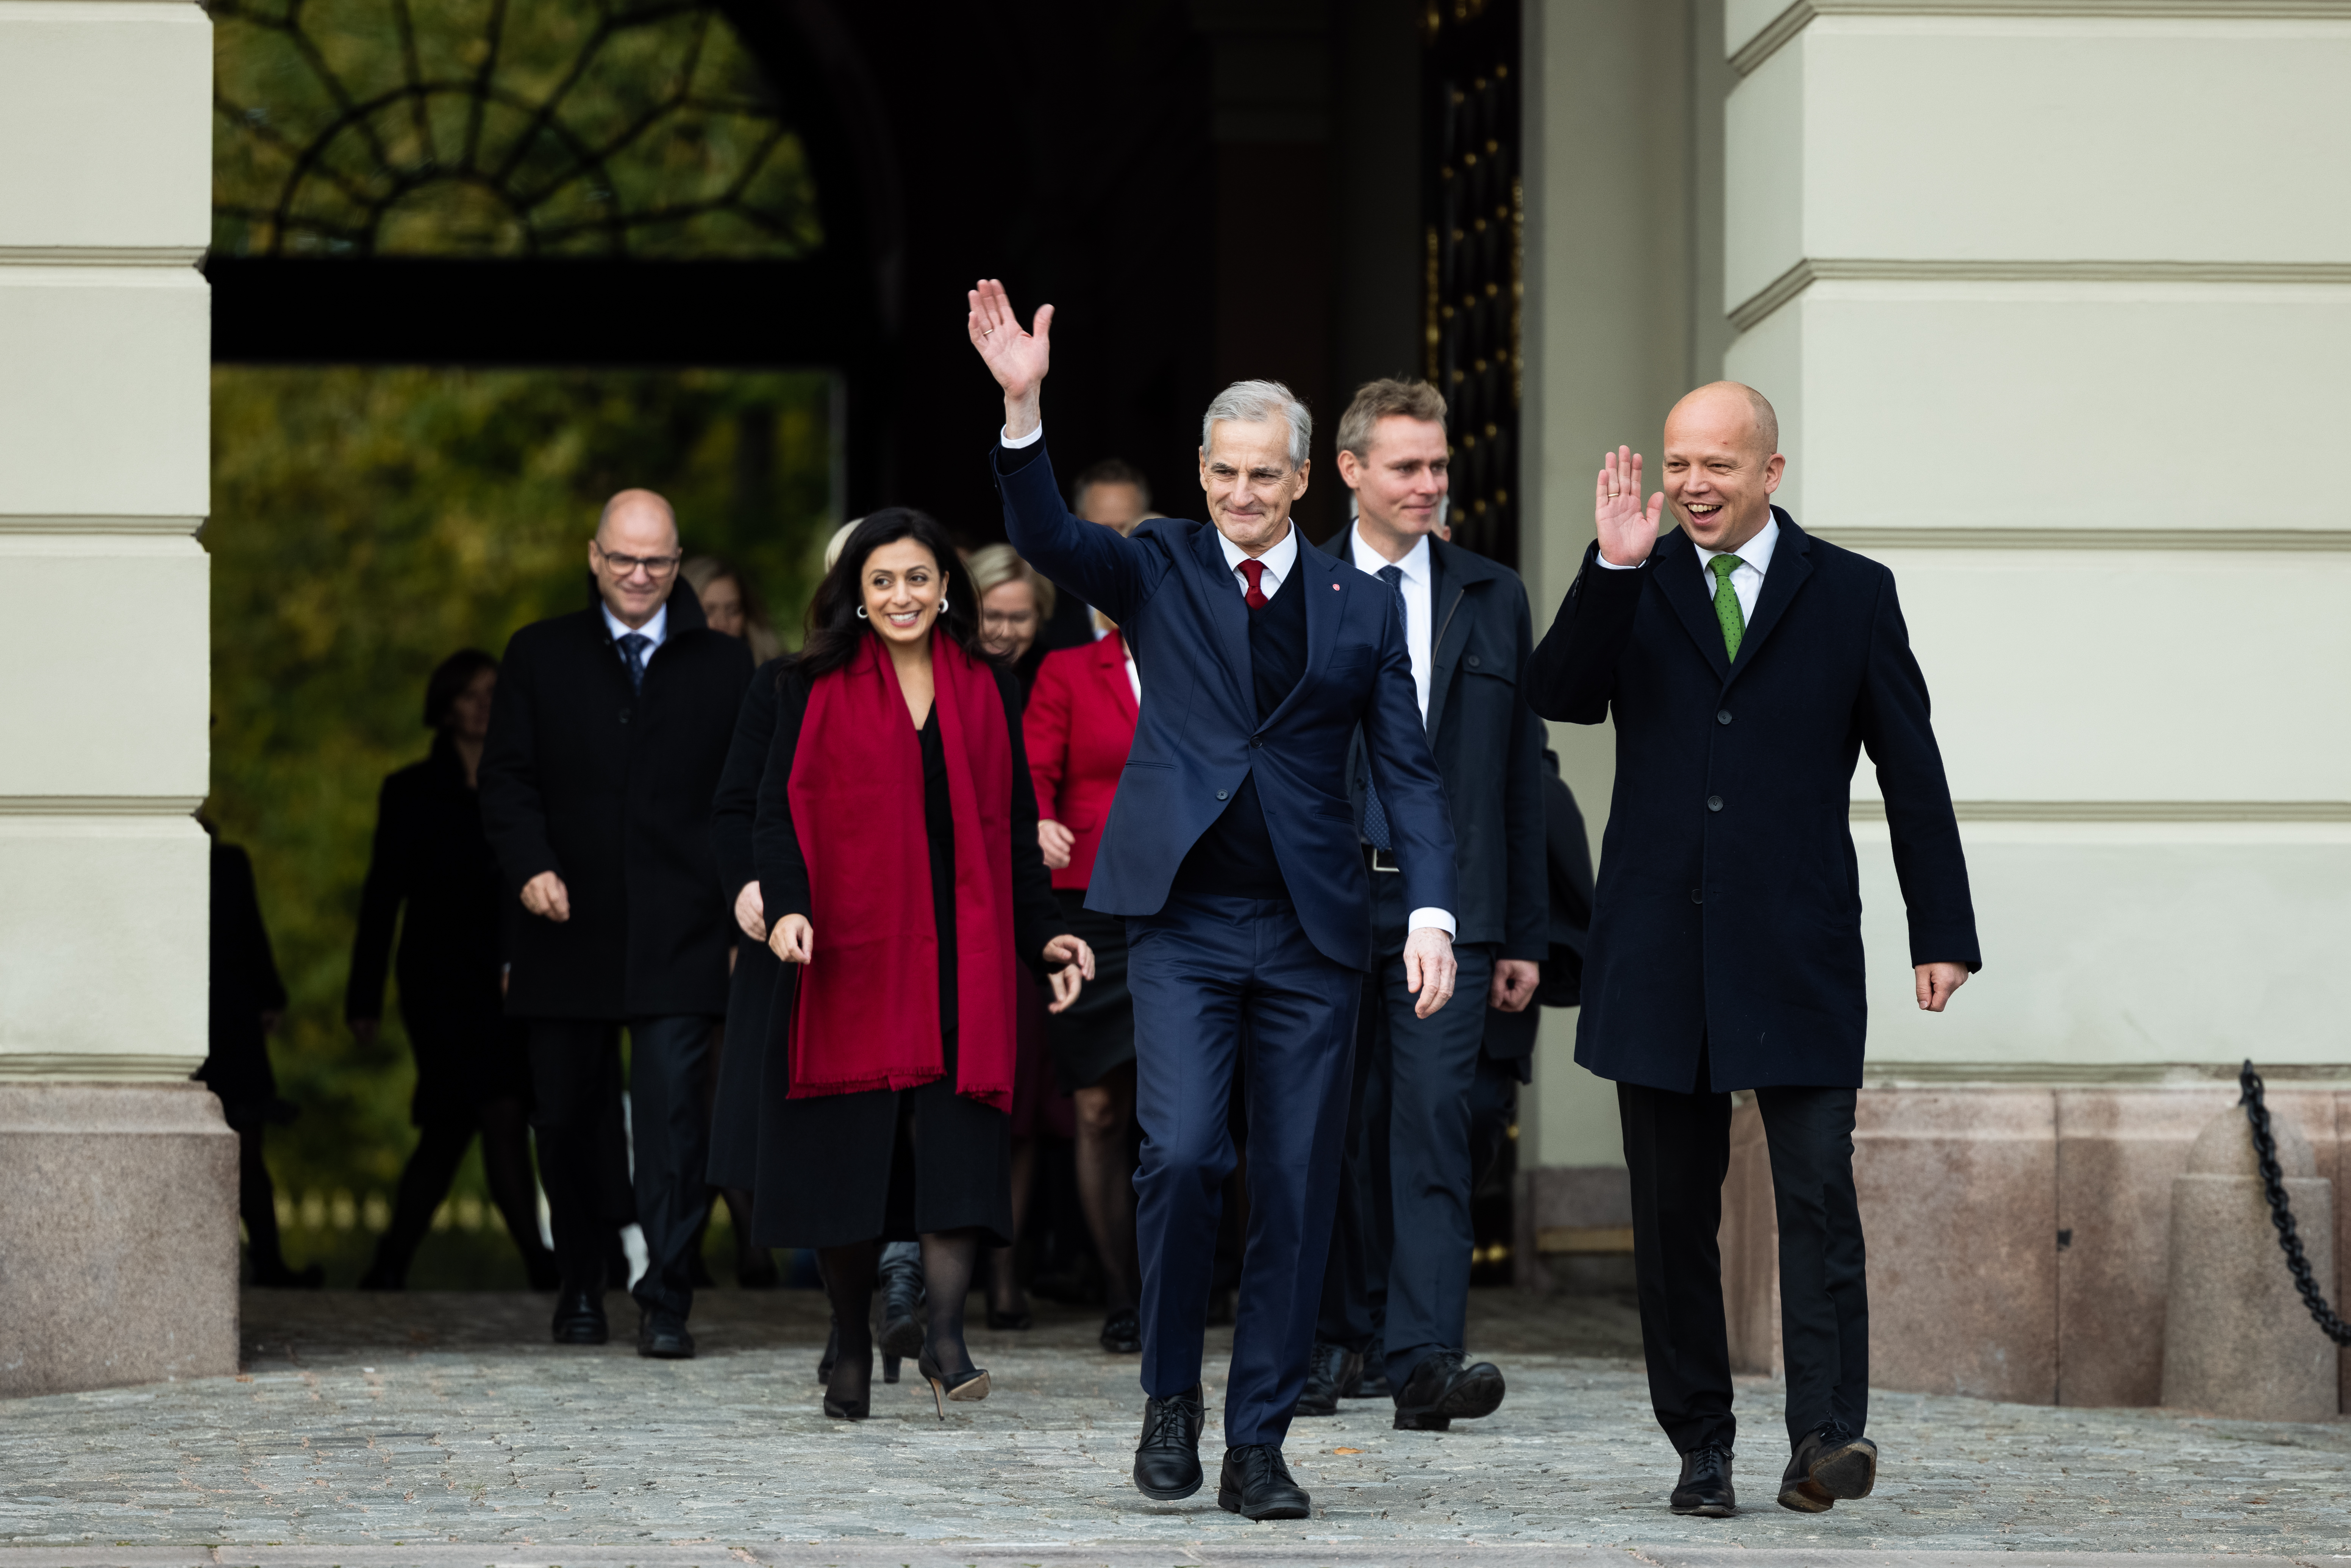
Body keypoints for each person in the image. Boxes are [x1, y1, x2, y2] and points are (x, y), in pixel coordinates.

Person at [969, 278, 1459, 1522]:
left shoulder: (1358, 603)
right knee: (1181, 1157)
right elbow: (1042, 535)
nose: (1242, 495)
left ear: (1304, 480)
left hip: (1311, 936)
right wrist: (1023, 408)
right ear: (1202, 473)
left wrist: (1435, 915)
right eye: (1224, 473)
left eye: (1263, 476)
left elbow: (1405, 767)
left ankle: (1256, 1441)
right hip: (1179, 923)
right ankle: (1170, 1399)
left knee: (1291, 1183)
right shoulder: (1157, 567)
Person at [1526, 383, 1980, 1518]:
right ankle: (1700, 1445)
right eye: (1677, 463)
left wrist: (1942, 931)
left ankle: (1825, 1438)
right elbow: (1557, 695)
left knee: (1817, 1195)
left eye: (1715, 467)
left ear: (1769, 472)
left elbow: (1910, 772)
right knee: (1672, 1214)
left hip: (1796, 946)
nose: (1690, 486)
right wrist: (1611, 570)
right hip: (1657, 950)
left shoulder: (1851, 594)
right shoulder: (1633, 575)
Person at [744, 508, 1095, 1421]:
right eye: (882, 582)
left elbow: (1013, 831)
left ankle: (944, 1336)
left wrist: (1042, 934)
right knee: (849, 1155)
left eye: (917, 579)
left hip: (963, 955)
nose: (902, 596)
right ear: (856, 599)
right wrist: (785, 910)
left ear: (946, 588)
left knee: (955, 1142)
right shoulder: (803, 686)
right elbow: (777, 820)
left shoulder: (987, 688)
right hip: (847, 951)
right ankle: (850, 1340)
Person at [1298, 378, 1548, 1433]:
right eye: (1404, 465)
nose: (1427, 483)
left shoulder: (1491, 594)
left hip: (1455, 910)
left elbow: (1520, 776)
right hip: (1317, 905)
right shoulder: (1293, 590)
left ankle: (1421, 1359)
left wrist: (1523, 931)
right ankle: (1325, 1340)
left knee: (1434, 1131)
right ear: (1349, 471)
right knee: (1320, 1130)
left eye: (1437, 465)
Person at [479, 488, 753, 1357]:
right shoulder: (538, 653)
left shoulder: (722, 665)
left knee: (675, 1119)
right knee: (566, 1116)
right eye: (624, 559)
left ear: (678, 564)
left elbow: (742, 801)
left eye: (658, 562)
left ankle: (667, 1291)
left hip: (684, 928)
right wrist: (528, 867)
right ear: (593, 557)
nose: (640, 576)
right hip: (565, 922)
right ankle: (579, 1281)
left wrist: (745, 902)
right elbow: (506, 779)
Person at [347, 650, 559, 1292]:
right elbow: (382, 897)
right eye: (471, 694)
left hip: (505, 980)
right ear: (445, 706)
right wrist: (363, 996)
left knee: (473, 1119)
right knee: (476, 1113)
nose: (483, 705)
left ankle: (391, 1265)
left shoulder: (523, 787)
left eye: (494, 692)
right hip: (437, 985)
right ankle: (539, 1264)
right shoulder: (408, 792)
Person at [1025, 605, 1145, 1354]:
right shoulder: (1068, 669)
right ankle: (1123, 1293)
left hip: (1189, 905)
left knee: (1199, 1103)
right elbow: (1030, 767)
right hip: (1091, 906)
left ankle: (1203, 1280)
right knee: (1100, 1107)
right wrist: (1037, 817)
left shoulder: (1217, 657)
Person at [197, 821, 319, 1288]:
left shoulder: (228, 862)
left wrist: (269, 995)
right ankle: (245, 1263)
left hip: (230, 1013)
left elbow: (250, 929)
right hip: (193, 1011)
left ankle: (268, 1260)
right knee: (227, 1148)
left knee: (247, 1146)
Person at [1039, 459, 1151, 652]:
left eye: (1127, 528)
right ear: (1077, 523)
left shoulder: (1170, 592)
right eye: (1104, 530)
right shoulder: (1047, 599)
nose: (1117, 540)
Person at [683, 553, 782, 664]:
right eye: (707, 612)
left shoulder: (773, 675)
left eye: (733, 611)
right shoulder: (665, 674)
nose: (723, 623)